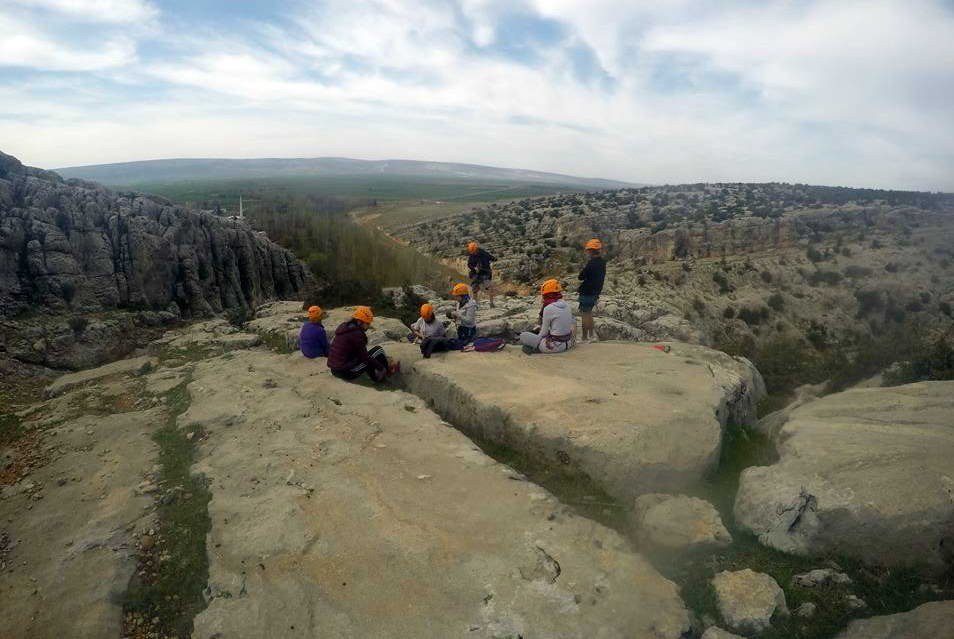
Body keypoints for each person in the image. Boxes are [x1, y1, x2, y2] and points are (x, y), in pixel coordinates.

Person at [327, 306, 400, 383]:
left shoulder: (345, 327)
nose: (369, 326)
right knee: (379, 351)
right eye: (367, 323)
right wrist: (381, 368)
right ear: (359, 321)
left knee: (369, 357)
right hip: (345, 372)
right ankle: (386, 372)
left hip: (335, 369)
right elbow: (364, 357)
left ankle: (378, 376)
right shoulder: (356, 333)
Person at [520, 279, 575, 354]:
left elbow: (544, 333)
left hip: (554, 346)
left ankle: (537, 348)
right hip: (568, 343)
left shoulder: (548, 308)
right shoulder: (567, 305)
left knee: (523, 335)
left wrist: (536, 340)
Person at [578, 238, 607, 342]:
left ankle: (584, 337)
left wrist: (584, 268)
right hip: (595, 292)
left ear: (591, 250)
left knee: (584, 314)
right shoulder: (602, 262)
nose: (587, 252)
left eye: (588, 250)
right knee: (589, 313)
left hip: (587, 292)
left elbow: (580, 277)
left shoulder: (591, 264)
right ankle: (592, 336)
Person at [467, 241, 496, 307]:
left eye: (474, 251)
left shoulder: (484, 253)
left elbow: (492, 258)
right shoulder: (472, 256)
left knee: (490, 287)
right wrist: (474, 268)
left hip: (485, 273)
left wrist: (494, 261)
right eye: (472, 252)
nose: (473, 253)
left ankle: (491, 303)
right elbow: (469, 264)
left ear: (476, 249)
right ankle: (475, 304)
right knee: (474, 289)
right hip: (476, 274)